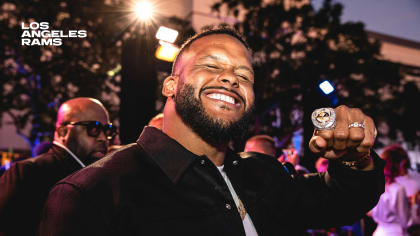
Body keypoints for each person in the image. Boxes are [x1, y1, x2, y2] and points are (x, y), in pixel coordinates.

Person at [39, 27, 385, 236]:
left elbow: (341, 200)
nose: (232, 78)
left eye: (244, 75)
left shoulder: (264, 174)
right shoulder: (93, 193)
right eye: (211, 65)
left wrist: (355, 158)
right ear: (171, 85)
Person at [0, 97, 116, 236]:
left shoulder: (100, 175)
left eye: (108, 129)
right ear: (63, 132)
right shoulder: (29, 172)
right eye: (93, 128)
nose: (103, 137)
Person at [371, 144, 413, 235]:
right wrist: (411, 207)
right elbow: (404, 221)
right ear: (399, 164)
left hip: (379, 232)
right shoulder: (398, 189)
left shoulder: (375, 186)